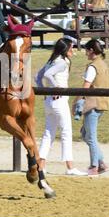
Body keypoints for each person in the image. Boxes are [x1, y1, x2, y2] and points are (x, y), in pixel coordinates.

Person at [35, 37, 87, 176]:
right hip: (60, 100)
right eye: (71, 48)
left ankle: (41, 165)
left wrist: (45, 92)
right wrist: (56, 87)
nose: (73, 50)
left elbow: (38, 77)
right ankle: (70, 167)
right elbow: (46, 75)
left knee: (48, 133)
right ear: (65, 49)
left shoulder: (51, 61)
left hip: (49, 102)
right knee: (66, 132)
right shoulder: (63, 62)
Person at [72, 39, 109, 176]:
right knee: (85, 134)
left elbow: (86, 86)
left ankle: (94, 166)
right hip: (103, 103)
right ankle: (100, 162)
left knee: (91, 136)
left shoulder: (93, 67)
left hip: (93, 104)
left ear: (91, 50)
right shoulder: (103, 64)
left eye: (86, 50)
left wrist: (75, 102)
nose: (85, 53)